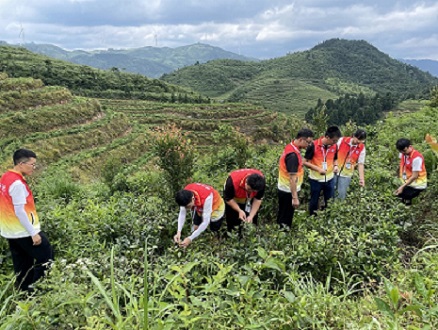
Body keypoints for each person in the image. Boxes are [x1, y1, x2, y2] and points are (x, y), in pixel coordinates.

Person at [0, 149, 53, 292]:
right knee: (46, 257)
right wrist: (33, 233)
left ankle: (24, 292)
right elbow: (19, 211)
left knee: (22, 264)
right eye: (32, 164)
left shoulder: (6, 177)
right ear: (21, 164)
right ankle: (38, 287)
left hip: (11, 231)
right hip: (23, 230)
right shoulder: (17, 184)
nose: (34, 168)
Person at [277, 128, 314, 228]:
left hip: (285, 188)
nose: (309, 145)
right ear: (301, 139)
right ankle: (283, 235)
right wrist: (295, 198)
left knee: (283, 213)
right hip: (288, 190)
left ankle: (280, 231)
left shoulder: (291, 147)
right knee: (286, 216)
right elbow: (292, 178)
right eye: (308, 142)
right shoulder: (292, 155)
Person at [303, 126, 342, 216]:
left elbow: (335, 158)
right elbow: (304, 162)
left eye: (336, 141)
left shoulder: (335, 146)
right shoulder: (313, 145)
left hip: (330, 179)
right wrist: (318, 169)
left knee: (329, 200)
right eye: (334, 140)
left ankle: (327, 217)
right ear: (327, 137)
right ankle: (312, 218)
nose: (335, 143)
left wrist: (335, 166)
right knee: (314, 200)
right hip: (315, 179)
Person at [173, 183, 225, 247]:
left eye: (188, 206)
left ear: (193, 199)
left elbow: (206, 222)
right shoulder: (185, 195)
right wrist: (178, 232)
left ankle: (215, 242)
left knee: (214, 228)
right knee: (195, 226)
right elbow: (182, 213)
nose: (187, 209)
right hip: (200, 206)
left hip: (216, 206)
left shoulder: (207, 197)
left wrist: (190, 238)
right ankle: (195, 240)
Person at [223, 169, 265, 236]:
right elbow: (228, 199)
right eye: (249, 189)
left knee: (251, 219)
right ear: (246, 182)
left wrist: (251, 216)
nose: (250, 192)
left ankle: (249, 236)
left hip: (249, 200)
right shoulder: (231, 183)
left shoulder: (260, 183)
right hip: (234, 199)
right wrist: (239, 210)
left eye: (253, 191)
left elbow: (258, 199)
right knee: (233, 219)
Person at [333, 129, 367, 200]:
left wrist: (361, 179)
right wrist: (335, 165)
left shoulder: (362, 148)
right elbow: (333, 153)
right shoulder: (342, 140)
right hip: (334, 171)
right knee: (330, 192)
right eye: (358, 139)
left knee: (341, 195)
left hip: (346, 174)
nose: (359, 142)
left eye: (361, 141)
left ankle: (336, 210)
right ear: (354, 136)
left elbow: (360, 164)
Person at [394, 138, 427, 205]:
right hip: (407, 181)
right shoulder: (403, 153)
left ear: (410, 147)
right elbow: (401, 164)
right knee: (396, 193)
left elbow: (415, 176)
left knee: (401, 196)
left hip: (417, 185)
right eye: (401, 151)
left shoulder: (416, 158)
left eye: (404, 151)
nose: (403, 153)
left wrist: (402, 187)